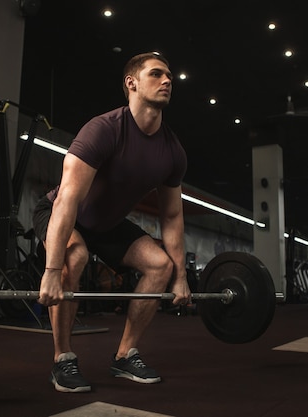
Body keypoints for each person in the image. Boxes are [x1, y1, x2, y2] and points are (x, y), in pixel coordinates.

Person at [32, 52, 191, 393]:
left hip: (108, 224)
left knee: (160, 265)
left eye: (170, 77)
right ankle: (63, 359)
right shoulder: (104, 129)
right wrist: (50, 270)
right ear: (131, 83)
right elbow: (67, 201)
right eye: (157, 74)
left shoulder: (172, 150)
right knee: (74, 257)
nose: (167, 81)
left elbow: (173, 216)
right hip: (59, 212)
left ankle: (124, 354)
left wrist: (181, 278)